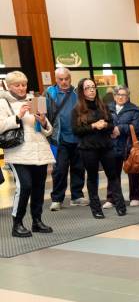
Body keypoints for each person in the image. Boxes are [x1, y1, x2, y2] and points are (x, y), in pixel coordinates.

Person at [0, 71, 55, 237]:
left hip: (39, 151)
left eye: (23, 84)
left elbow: (48, 131)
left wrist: (43, 121)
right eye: (17, 85)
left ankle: (37, 221)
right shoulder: (2, 103)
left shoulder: (35, 100)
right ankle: (17, 224)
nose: (22, 88)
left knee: (39, 188)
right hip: (18, 152)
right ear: (9, 86)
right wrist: (18, 116)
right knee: (24, 186)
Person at [72, 78, 127, 219]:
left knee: (113, 175)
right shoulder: (77, 109)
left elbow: (111, 125)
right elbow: (76, 130)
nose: (91, 90)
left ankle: (120, 206)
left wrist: (104, 125)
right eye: (87, 87)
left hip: (106, 145)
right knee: (92, 177)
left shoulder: (103, 106)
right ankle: (96, 209)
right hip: (88, 148)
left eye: (93, 87)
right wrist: (93, 126)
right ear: (82, 91)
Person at [45, 67, 88, 211]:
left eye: (66, 79)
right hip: (59, 138)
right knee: (60, 169)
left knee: (78, 168)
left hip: (78, 137)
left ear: (70, 78)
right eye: (60, 79)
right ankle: (57, 198)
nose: (64, 82)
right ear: (56, 79)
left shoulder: (78, 93)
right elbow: (42, 114)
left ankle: (76, 196)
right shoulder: (49, 93)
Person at [107, 85, 139, 207]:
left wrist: (120, 128)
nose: (121, 97)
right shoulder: (107, 108)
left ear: (128, 96)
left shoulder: (133, 109)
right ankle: (112, 198)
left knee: (133, 171)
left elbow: (138, 127)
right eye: (118, 95)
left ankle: (135, 196)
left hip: (129, 145)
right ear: (114, 96)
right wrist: (110, 129)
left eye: (124, 95)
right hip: (112, 145)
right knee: (113, 173)